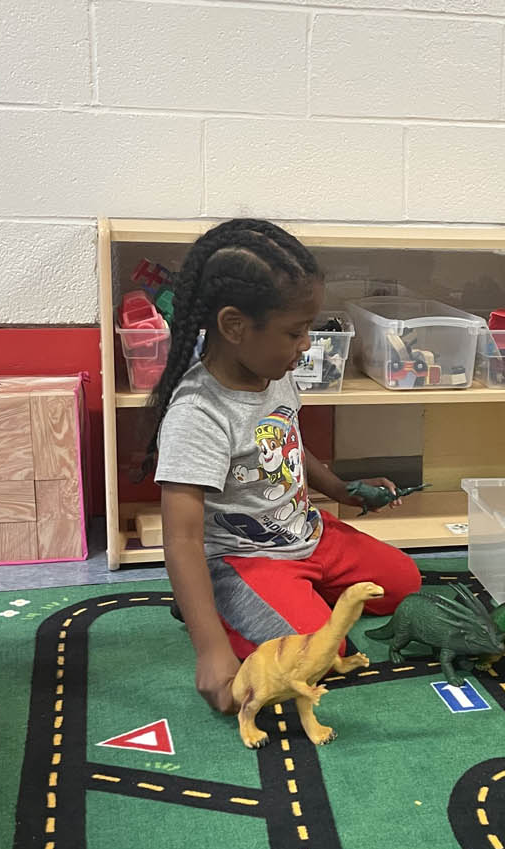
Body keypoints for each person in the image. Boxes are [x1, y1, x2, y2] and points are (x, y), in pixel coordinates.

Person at [145, 219, 419, 715]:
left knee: (403, 585)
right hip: (243, 559)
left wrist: (342, 488)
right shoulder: (198, 414)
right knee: (323, 651)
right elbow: (182, 539)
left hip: (309, 534)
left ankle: (295, 591)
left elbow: (288, 443)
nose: (306, 344)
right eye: (295, 332)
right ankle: (215, 611)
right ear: (234, 327)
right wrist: (212, 652)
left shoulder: (272, 371)